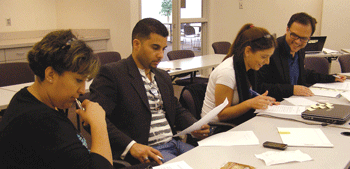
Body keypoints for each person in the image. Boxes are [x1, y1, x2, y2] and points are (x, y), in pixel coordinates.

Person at [89, 18, 210, 165]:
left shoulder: (162, 76)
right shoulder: (113, 74)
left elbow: (175, 108)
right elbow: (94, 120)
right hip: (148, 151)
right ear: (136, 44)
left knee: (213, 161)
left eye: (163, 49)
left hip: (174, 143)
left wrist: (195, 125)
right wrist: (131, 145)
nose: (160, 54)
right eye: (155, 48)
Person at [0, 30, 113, 169]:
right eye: (78, 80)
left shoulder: (26, 97)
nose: (83, 90)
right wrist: (99, 124)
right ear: (51, 74)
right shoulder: (41, 123)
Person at [256, 12, 346, 101]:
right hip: (277, 104)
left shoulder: (300, 50)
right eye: (294, 35)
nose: (298, 42)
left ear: (309, 38)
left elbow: (302, 74)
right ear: (287, 29)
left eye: (303, 38)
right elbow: (259, 87)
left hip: (297, 102)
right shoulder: (272, 51)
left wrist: (332, 77)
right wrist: (292, 89)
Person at [201, 23, 278, 126]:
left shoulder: (247, 68)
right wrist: (250, 103)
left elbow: (250, 93)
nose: (267, 62)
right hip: (215, 128)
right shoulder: (227, 73)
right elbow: (222, 114)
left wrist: (264, 101)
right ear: (248, 51)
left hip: (229, 124)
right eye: (264, 57)